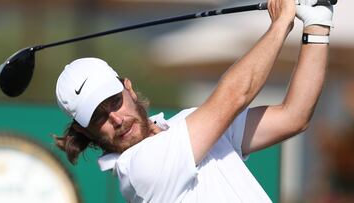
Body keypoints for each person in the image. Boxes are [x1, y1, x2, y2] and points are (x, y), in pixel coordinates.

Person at [54, 0, 334, 202]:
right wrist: (281, 23)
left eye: (114, 102)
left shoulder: (186, 126)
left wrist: (317, 23)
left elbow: (293, 116)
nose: (116, 119)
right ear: (84, 131)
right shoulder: (138, 169)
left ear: (128, 88)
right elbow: (234, 95)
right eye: (98, 117)